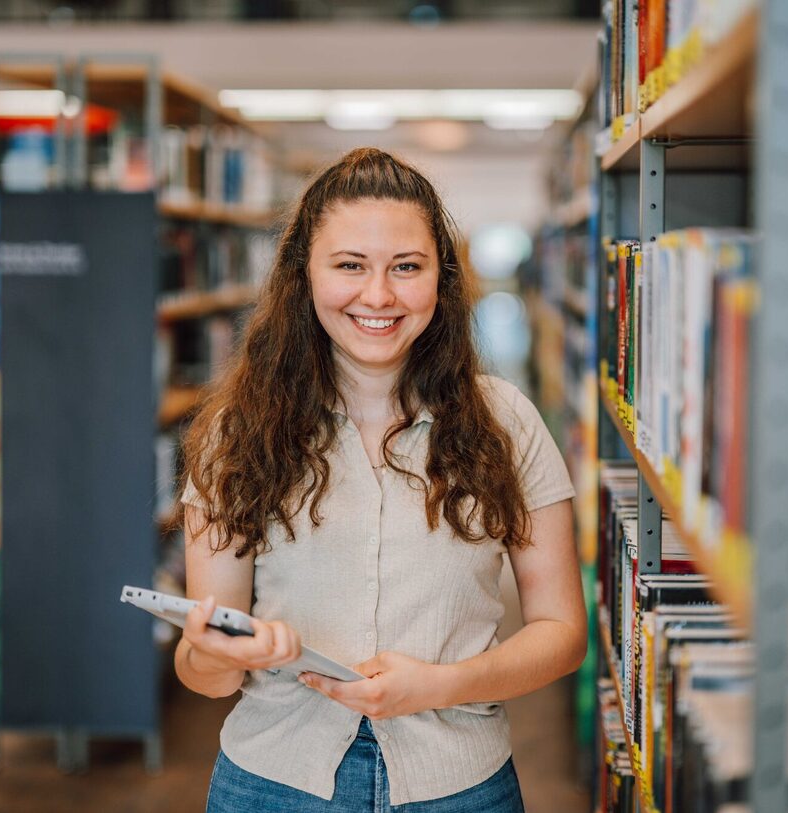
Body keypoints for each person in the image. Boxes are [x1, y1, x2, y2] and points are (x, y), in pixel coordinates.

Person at [173, 147, 586, 812]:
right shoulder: (238, 434)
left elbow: (563, 631)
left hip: (461, 787)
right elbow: (206, 676)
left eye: (406, 267)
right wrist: (218, 654)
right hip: (270, 785)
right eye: (349, 265)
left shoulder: (506, 421)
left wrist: (442, 684)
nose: (378, 295)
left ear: (440, 278)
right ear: (303, 274)